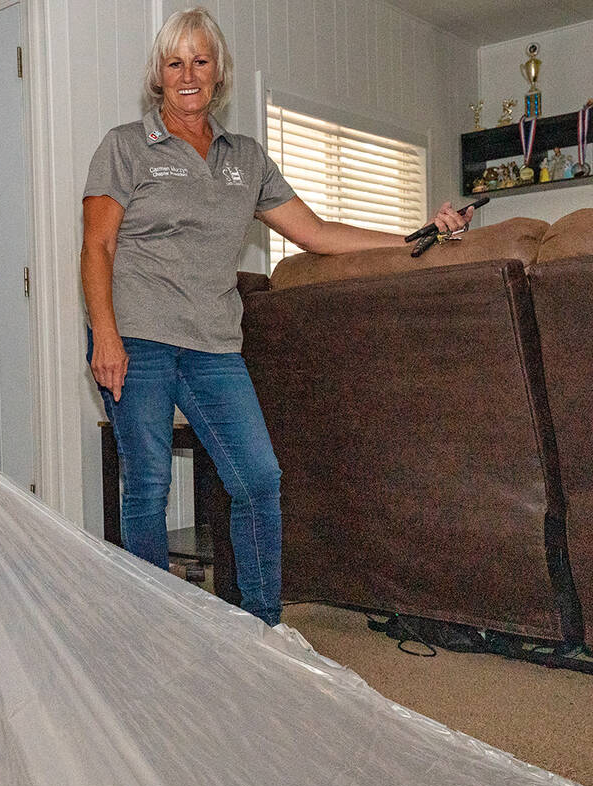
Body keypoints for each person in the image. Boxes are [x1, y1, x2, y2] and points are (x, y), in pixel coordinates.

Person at [81, 8, 472, 626]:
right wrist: (105, 332)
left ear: (219, 73)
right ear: (158, 76)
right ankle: (154, 631)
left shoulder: (248, 158)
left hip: (214, 341)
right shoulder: (126, 147)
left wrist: (416, 235)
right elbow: (98, 245)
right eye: (175, 63)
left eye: (201, 61)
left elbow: (315, 232)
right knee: (149, 485)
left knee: (258, 478)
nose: (189, 75)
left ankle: (262, 626)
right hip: (137, 333)